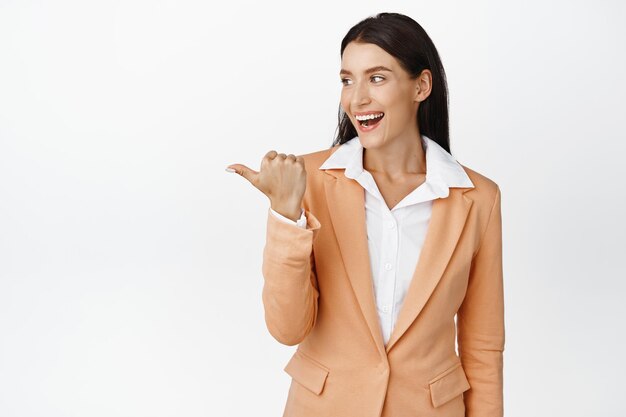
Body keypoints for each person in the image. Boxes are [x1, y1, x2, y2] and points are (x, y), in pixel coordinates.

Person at [226, 12, 504, 417]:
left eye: (377, 78)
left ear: (421, 86)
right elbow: (288, 329)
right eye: (346, 80)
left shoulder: (478, 199)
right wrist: (287, 216)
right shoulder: (308, 182)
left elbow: (482, 347)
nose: (357, 99)